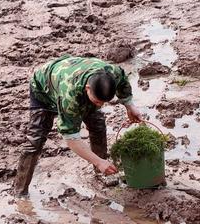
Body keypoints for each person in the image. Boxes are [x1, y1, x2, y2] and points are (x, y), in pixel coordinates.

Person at [13, 55, 143, 196]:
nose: (100, 105)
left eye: (104, 102)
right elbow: (71, 139)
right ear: (88, 88)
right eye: (98, 101)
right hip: (44, 87)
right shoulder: (70, 95)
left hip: (72, 72)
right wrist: (99, 161)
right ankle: (20, 191)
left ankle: (101, 174)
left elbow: (123, 84)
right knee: (36, 140)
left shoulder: (114, 72)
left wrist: (130, 106)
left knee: (98, 125)